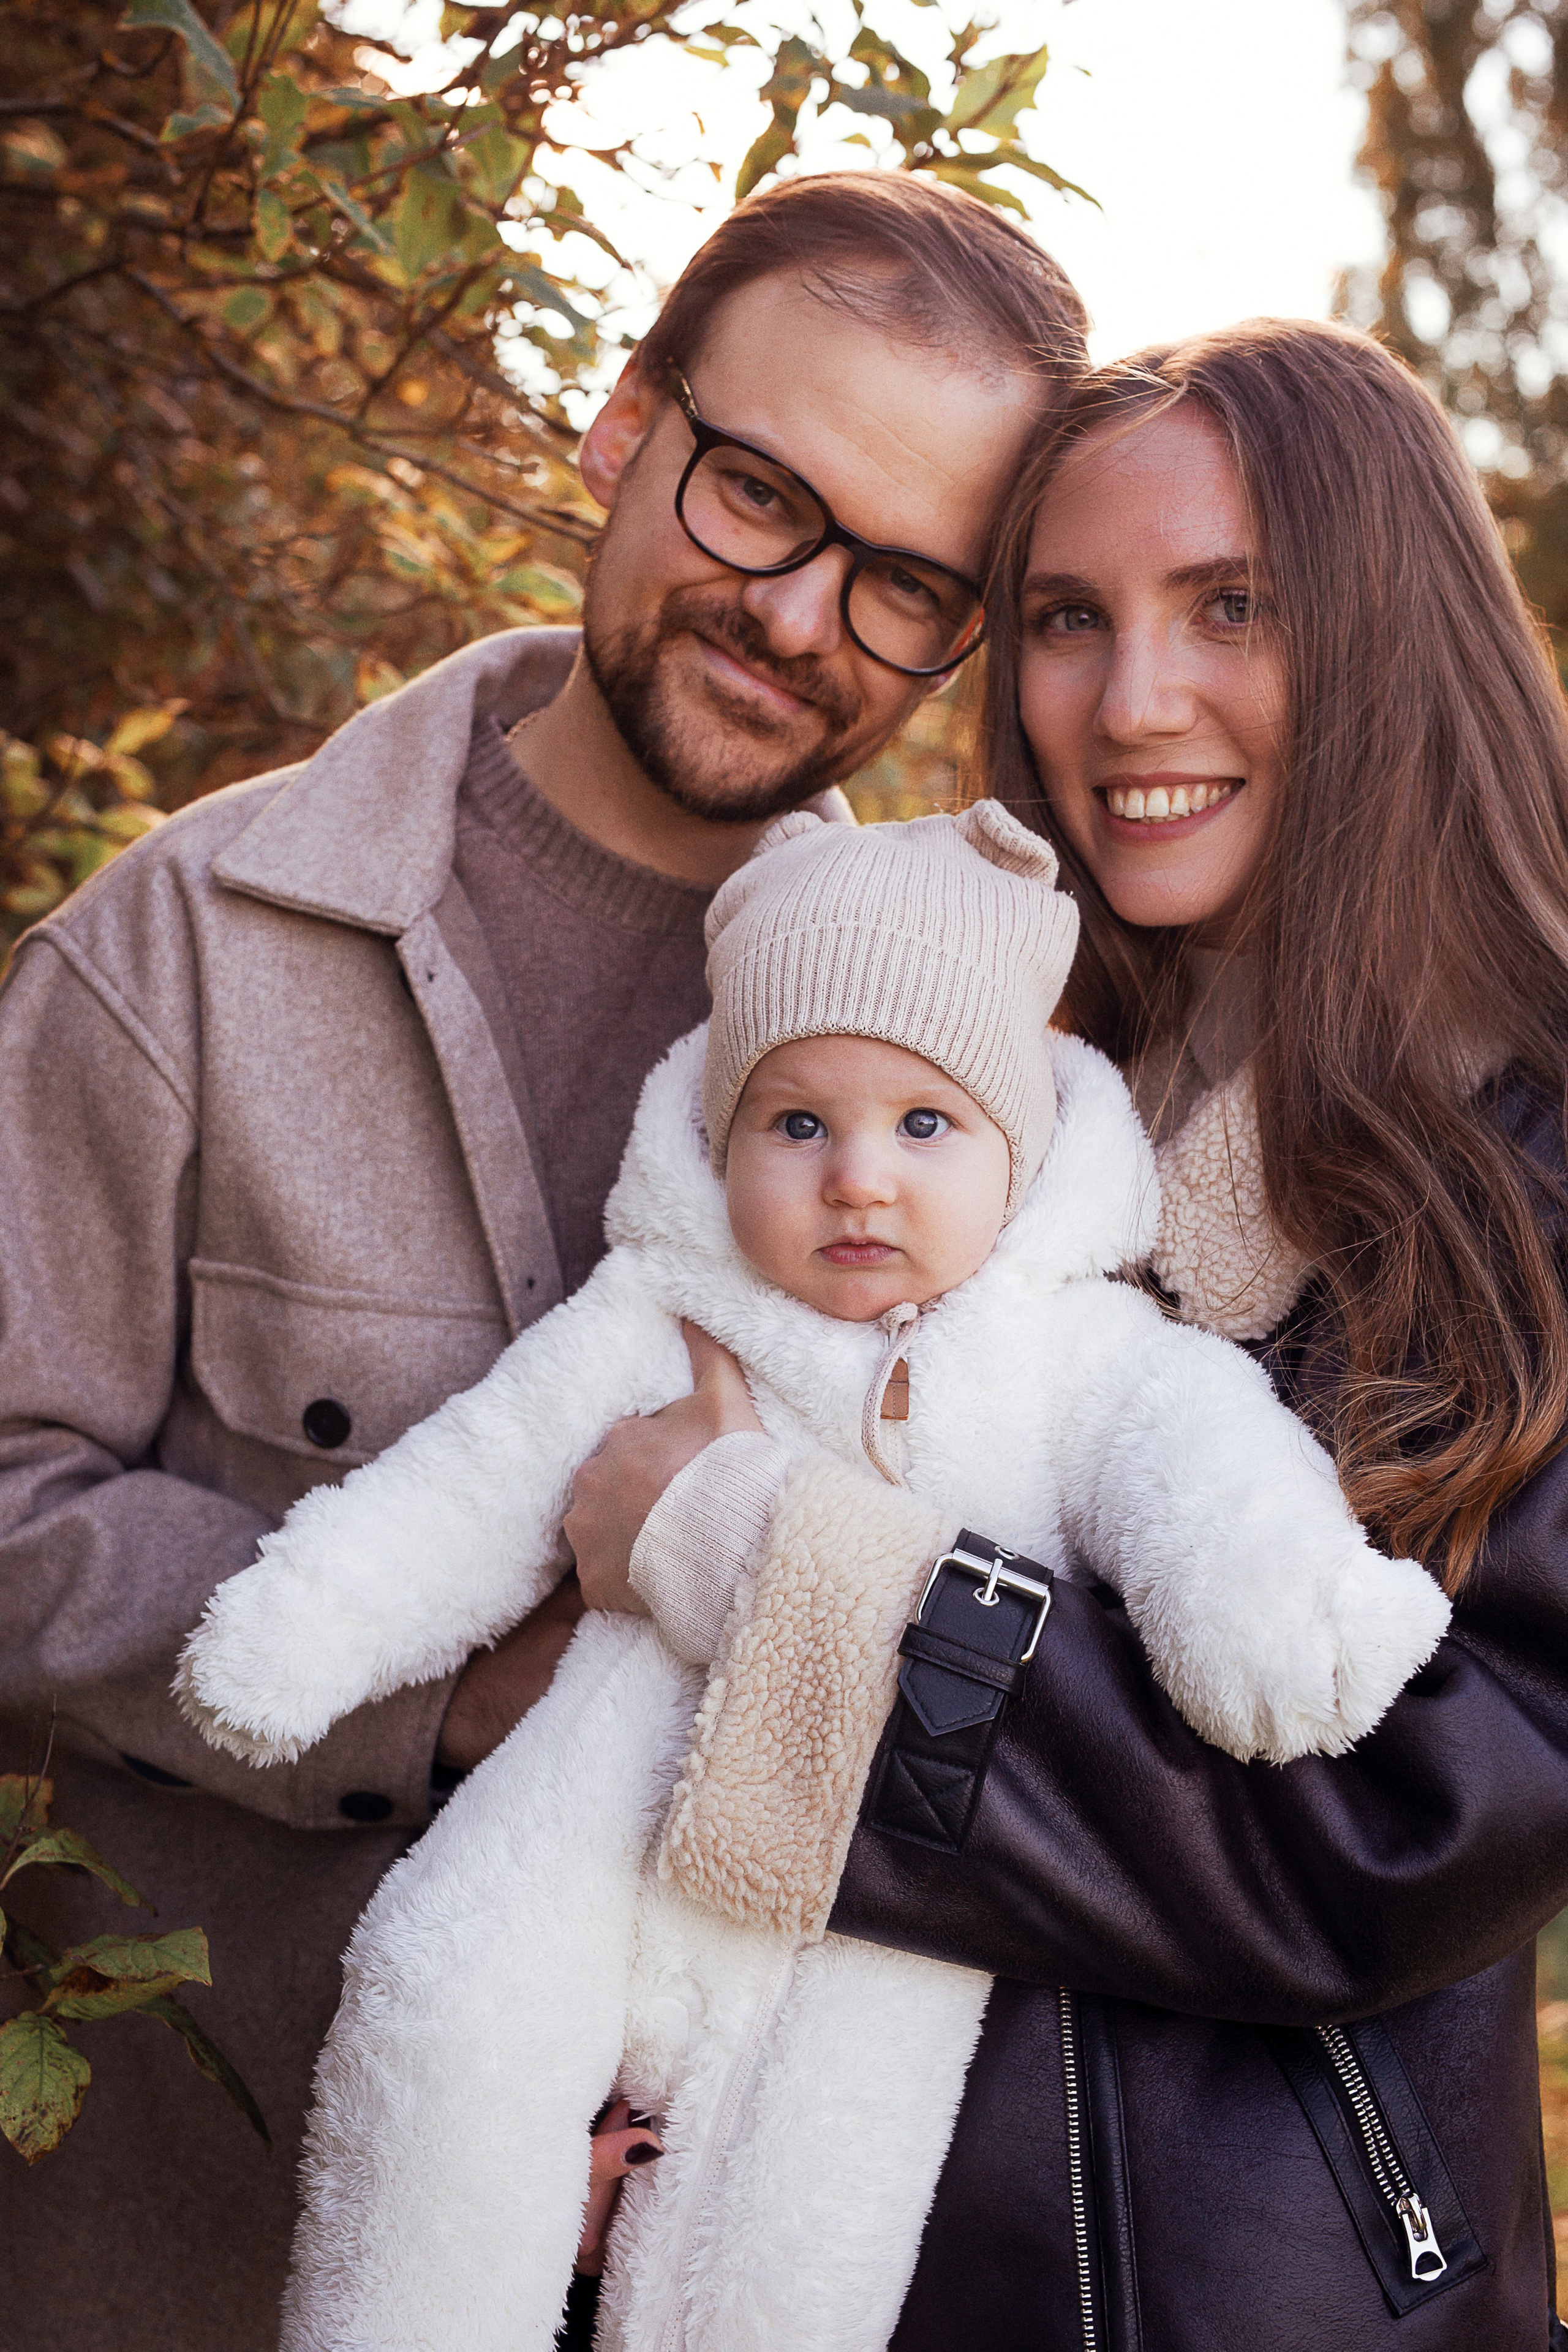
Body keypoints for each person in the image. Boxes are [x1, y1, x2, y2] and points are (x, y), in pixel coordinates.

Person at [0, 172, 1086, 2345]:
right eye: (761, 494)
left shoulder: (1005, 1079)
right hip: (192, 2250)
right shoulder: (184, 954)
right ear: (620, 424)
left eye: (905, 590)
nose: (799, 619)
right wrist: (479, 1693)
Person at [567, 319, 1568, 2348]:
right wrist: (604, 2056)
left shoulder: (1528, 1157)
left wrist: (758, 1562)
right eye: (1063, 619)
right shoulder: (965, 1120)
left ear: (1390, 635)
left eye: (1233, 608)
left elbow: (1399, 1823)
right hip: (825, 2264)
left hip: (1278, 2303)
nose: (1134, 702)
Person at [179, 801, 1446, 2351]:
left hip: (883, 1896)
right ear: (717, 1136)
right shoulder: (665, 1311)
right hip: (593, 1808)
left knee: (800, 2222)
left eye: (924, 1126)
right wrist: (299, 1629)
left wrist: (1284, 1619)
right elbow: (475, 1475)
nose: (857, 1180)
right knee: (445, 2025)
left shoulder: (1075, 1352)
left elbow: (1199, 1478)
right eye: (798, 1124)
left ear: (1018, 1146)